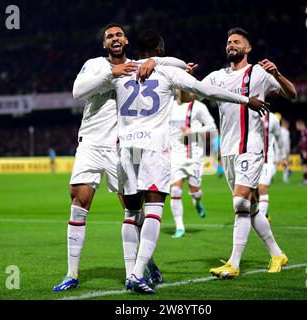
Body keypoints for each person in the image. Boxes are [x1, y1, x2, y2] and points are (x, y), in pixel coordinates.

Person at [98, 29, 268, 294]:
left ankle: (130, 270)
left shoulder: (122, 71)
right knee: (154, 210)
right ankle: (137, 273)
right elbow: (206, 89)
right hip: (154, 146)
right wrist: (246, 99)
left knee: (131, 214)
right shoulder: (168, 70)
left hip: (127, 147)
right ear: (159, 49)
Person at [53, 23, 191, 292]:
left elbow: (179, 63)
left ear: (126, 41)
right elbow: (77, 92)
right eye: (109, 36)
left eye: (118, 35)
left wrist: (154, 59)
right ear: (105, 44)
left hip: (123, 147)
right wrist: (109, 74)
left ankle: (140, 269)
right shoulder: (94, 65)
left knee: (132, 209)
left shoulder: (140, 65)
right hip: (92, 144)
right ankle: (71, 274)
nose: (114, 39)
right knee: (78, 202)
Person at [204, 27, 297, 279]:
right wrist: (183, 77)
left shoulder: (259, 72)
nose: (231, 44)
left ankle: (234, 263)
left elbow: (292, 94)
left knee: (240, 203)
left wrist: (277, 73)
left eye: (236, 41)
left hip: (250, 148)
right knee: (252, 208)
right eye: (228, 41)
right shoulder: (216, 77)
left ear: (248, 48)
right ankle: (277, 253)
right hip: (228, 152)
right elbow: (192, 93)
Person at [169, 89, 217, 238]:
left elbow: (213, 129)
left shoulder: (198, 107)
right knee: (175, 190)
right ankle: (180, 227)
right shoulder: (169, 105)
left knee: (195, 191)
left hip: (194, 156)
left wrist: (193, 131)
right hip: (174, 155)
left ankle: (197, 202)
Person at [258, 112, 285, 222]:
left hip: (267, 160)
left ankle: (260, 221)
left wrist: (283, 157)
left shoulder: (272, 118)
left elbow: (279, 138)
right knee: (252, 193)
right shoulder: (247, 113)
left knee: (262, 187)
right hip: (251, 160)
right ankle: (264, 215)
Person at [280, 117, 292, 183]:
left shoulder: (279, 130)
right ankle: (285, 178)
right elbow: (286, 142)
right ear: (286, 124)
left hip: (277, 150)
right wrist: (288, 150)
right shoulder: (286, 132)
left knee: (274, 164)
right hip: (284, 150)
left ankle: (269, 177)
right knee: (286, 163)